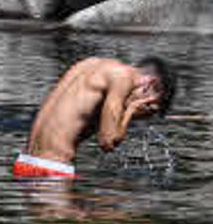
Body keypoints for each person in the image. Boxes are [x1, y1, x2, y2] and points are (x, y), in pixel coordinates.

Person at [13, 56, 177, 179]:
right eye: (149, 108)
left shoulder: (90, 64)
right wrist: (130, 112)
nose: (144, 115)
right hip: (53, 169)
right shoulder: (123, 77)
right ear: (150, 85)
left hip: (25, 163)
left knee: (105, 212)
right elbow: (107, 142)